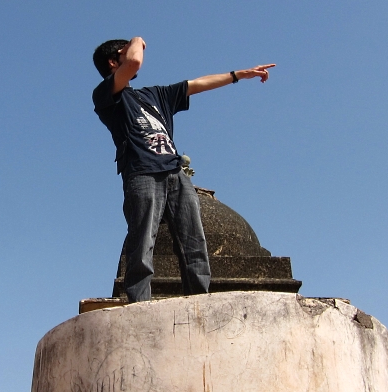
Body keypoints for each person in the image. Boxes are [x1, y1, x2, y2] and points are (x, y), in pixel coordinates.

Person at [91, 37, 274, 302]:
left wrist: (238, 75)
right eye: (124, 52)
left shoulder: (154, 95)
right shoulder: (106, 95)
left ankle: (199, 301)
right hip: (142, 173)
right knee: (142, 243)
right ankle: (139, 304)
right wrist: (137, 40)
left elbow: (198, 84)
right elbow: (132, 62)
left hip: (175, 173)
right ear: (112, 61)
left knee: (194, 243)